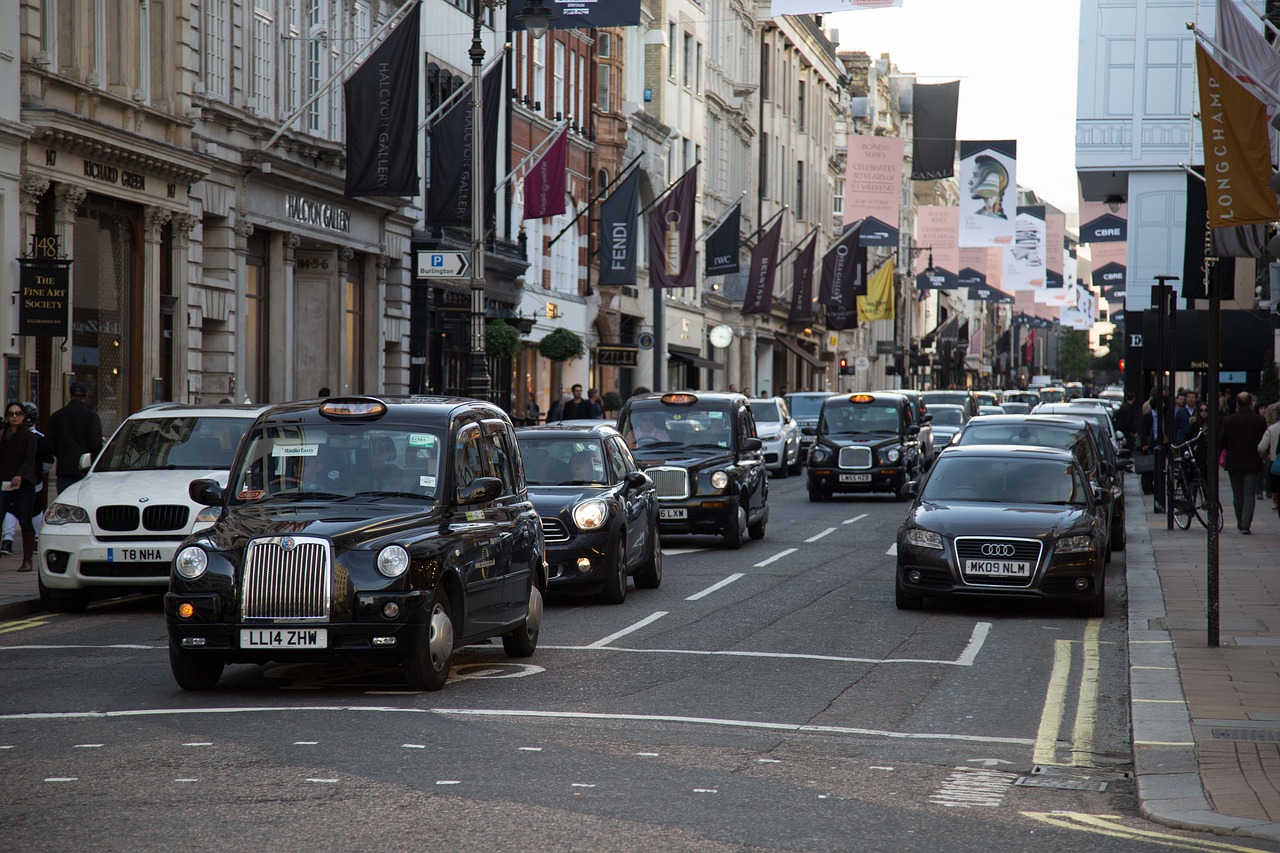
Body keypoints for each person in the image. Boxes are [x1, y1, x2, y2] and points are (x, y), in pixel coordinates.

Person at [2, 403, 49, 556]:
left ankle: (27, 557)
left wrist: (20, 475)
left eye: (18, 413)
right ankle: (7, 541)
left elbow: (30, 459)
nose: (14, 417)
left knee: (25, 516)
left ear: (23, 416)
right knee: (4, 511)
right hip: (5, 481)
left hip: (25, 482)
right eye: (11, 414)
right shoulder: (3, 434)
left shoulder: (31, 437)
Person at [1219, 391, 1267, 534]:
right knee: (1249, 493)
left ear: (1237, 404)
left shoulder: (1229, 420)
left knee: (1237, 494)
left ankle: (1241, 520)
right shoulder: (1259, 420)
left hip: (1235, 460)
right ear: (1251, 402)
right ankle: (1245, 523)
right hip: (1253, 460)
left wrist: (1230, 448)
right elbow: (1264, 441)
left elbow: (1222, 441)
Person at [46, 381, 103, 493]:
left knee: (65, 502)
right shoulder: (92, 416)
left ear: (70, 395)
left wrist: (61, 453)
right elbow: (96, 444)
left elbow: (48, 444)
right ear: (85, 396)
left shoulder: (57, 416)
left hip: (64, 468)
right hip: (85, 469)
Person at [1258, 410, 1280, 516]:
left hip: (1275, 462)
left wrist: (1265, 457)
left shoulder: (1272, 429)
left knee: (1277, 489)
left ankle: (1276, 502)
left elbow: (1261, 447)